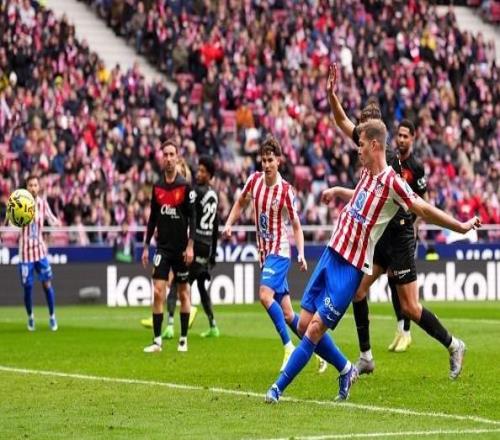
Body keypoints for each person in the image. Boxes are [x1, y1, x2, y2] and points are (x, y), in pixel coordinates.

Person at [264, 118, 480, 404]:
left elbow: (423, 208)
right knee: (303, 325)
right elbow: (345, 130)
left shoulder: (393, 182)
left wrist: (461, 227)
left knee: (315, 329)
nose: (357, 149)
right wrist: (338, 190)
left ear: (375, 145)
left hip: (350, 267)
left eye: (362, 144)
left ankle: (277, 388)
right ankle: (346, 368)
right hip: (331, 253)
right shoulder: (366, 173)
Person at [325, 64, 467, 378]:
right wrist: (332, 95)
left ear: (374, 133)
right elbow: (340, 120)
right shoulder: (368, 147)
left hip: (399, 235)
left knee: (410, 308)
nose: (357, 137)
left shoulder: (386, 160)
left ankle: (454, 344)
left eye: (362, 129)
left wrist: (458, 226)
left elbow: (418, 204)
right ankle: (366, 357)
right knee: (358, 292)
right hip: (380, 236)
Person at [223, 135, 309, 372]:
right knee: (289, 314)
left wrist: (301, 253)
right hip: (264, 252)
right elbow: (240, 203)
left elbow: (296, 225)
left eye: (271, 160)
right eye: (264, 160)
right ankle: (317, 348)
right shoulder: (254, 181)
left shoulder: (285, 191)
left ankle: (289, 347)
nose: (267, 164)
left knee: (264, 295)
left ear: (278, 161)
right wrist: (229, 223)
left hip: (279, 251)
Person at [142, 140, 196, 353]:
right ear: (161, 158)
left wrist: (190, 246)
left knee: (183, 294)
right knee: (157, 292)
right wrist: (146, 246)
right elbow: (152, 219)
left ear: (177, 156)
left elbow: (193, 218)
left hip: (181, 249)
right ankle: (157, 341)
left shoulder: (185, 187)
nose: (169, 158)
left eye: (172, 154)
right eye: (165, 154)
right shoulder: (157, 187)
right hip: (162, 248)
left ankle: (183, 339)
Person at [162, 155, 220, 339]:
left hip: (195, 244)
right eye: (199, 170)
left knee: (177, 283)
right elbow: (216, 225)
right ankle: (213, 326)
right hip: (207, 246)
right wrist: (213, 253)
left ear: (209, 175)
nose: (198, 173)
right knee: (201, 285)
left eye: (203, 171)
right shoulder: (214, 195)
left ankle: (170, 325)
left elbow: (188, 216)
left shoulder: (197, 192)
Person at [8, 175, 61, 331]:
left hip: (40, 251)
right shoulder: (20, 204)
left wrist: (57, 223)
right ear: (26, 187)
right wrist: (11, 223)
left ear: (39, 187)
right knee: (28, 287)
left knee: (47, 284)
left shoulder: (42, 204)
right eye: (30, 185)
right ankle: (30, 317)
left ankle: (52, 316)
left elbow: (52, 219)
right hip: (25, 253)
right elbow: (11, 224)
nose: (33, 188)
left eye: (35, 185)